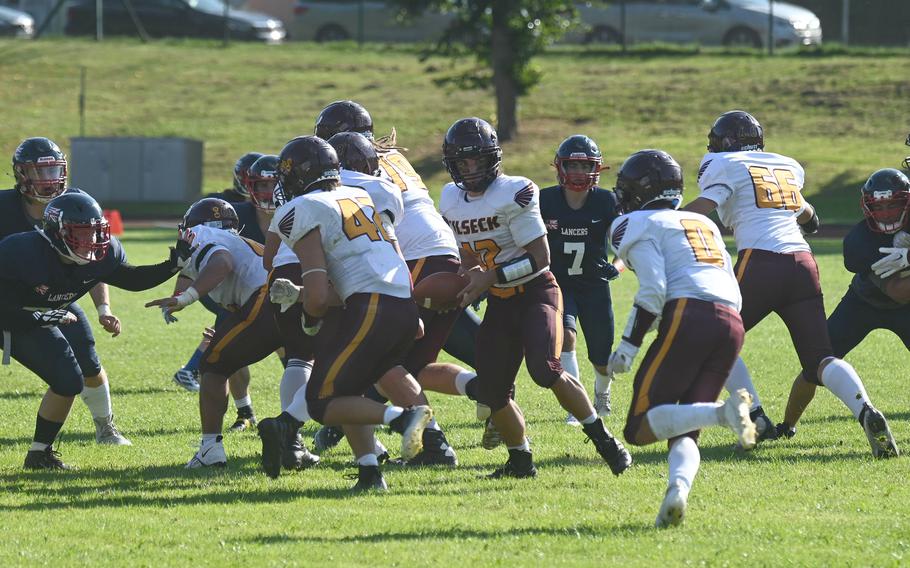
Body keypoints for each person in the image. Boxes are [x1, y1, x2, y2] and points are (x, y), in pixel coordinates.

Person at [684, 110, 897, 458]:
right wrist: (808, 221)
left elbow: (705, 206)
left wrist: (663, 220)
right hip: (803, 263)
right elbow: (809, 217)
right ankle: (866, 410)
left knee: (712, 337)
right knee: (820, 359)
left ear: (724, 144)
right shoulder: (785, 166)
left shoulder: (725, 166)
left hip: (761, 263)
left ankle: (756, 419)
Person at [438, 117, 631, 478]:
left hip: (536, 292)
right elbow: (467, 253)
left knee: (545, 370)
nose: (470, 168)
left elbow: (540, 259)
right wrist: (468, 280)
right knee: (493, 391)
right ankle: (520, 460)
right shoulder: (451, 199)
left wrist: (489, 276)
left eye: (476, 160)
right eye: (462, 161)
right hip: (500, 301)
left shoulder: (516, 191)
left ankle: (604, 440)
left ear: (492, 158)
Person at [260, 135, 431, 491]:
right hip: (399, 303)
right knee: (348, 392)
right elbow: (390, 260)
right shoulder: (361, 196)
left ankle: (404, 419)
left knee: (321, 401)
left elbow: (320, 298)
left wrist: (306, 309)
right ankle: (369, 472)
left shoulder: (302, 208)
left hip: (372, 307)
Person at [312, 101, 479, 460]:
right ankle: (474, 401)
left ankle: (421, 439)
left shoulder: (353, 170)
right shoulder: (389, 159)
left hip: (412, 257)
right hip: (440, 250)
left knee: (378, 357)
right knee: (410, 364)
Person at [607, 148, 756, 528]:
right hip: (730, 320)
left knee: (638, 428)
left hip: (689, 314)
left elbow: (654, 290)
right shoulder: (700, 223)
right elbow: (725, 286)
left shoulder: (634, 223)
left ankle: (723, 413)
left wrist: (628, 344)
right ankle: (676, 494)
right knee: (682, 427)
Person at [0, 192, 189, 469]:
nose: (90, 241)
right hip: (14, 314)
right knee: (67, 376)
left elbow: (130, 278)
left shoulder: (101, 254)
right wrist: (38, 317)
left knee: (69, 381)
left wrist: (172, 265)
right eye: (81, 233)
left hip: (56, 308)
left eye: (94, 232)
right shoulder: (20, 251)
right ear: (56, 232)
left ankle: (39, 455)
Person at [146, 197, 318, 470]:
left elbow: (221, 261)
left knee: (213, 365)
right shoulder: (238, 240)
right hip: (296, 296)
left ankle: (210, 449)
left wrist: (186, 298)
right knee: (300, 362)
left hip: (265, 298)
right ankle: (294, 442)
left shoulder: (200, 234)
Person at [1, 137, 130, 445]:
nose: (49, 180)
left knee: (86, 359)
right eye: (39, 172)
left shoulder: (76, 202)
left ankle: (105, 426)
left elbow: (92, 262)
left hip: (56, 300)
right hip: (9, 303)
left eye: (53, 171)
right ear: (21, 174)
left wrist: (104, 309)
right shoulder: (3, 207)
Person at [774, 169, 905, 457]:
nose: (885, 212)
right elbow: (897, 291)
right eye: (878, 206)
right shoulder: (859, 241)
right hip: (864, 303)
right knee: (815, 365)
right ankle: (787, 425)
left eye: (892, 204)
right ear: (867, 207)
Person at [172, 151, 267, 436]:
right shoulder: (226, 209)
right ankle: (250, 413)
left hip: (273, 292)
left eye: (272, 185)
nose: (266, 192)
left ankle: (301, 420)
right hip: (243, 295)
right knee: (224, 355)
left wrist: (184, 297)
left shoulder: (295, 209)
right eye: (260, 184)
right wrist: (181, 294)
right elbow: (198, 262)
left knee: (296, 358)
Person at [540, 134, 620, 423]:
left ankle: (602, 394)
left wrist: (617, 265)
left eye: (585, 166)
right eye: (572, 166)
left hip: (595, 285)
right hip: (559, 284)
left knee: (602, 359)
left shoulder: (606, 201)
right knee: (566, 338)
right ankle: (580, 404)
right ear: (560, 168)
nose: (578, 173)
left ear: (596, 169)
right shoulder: (545, 200)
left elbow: (626, 243)